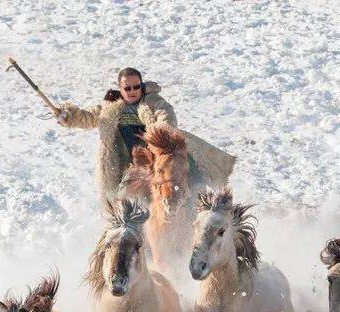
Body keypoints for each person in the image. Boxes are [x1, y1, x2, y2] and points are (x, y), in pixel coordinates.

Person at [55, 67, 235, 210]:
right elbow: (89, 117)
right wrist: (69, 116)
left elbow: (167, 116)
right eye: (127, 88)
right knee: (121, 196)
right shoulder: (109, 107)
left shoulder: (152, 101)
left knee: (183, 182)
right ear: (120, 89)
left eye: (136, 86)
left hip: (155, 156)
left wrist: (155, 134)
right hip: (124, 161)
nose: (132, 91)